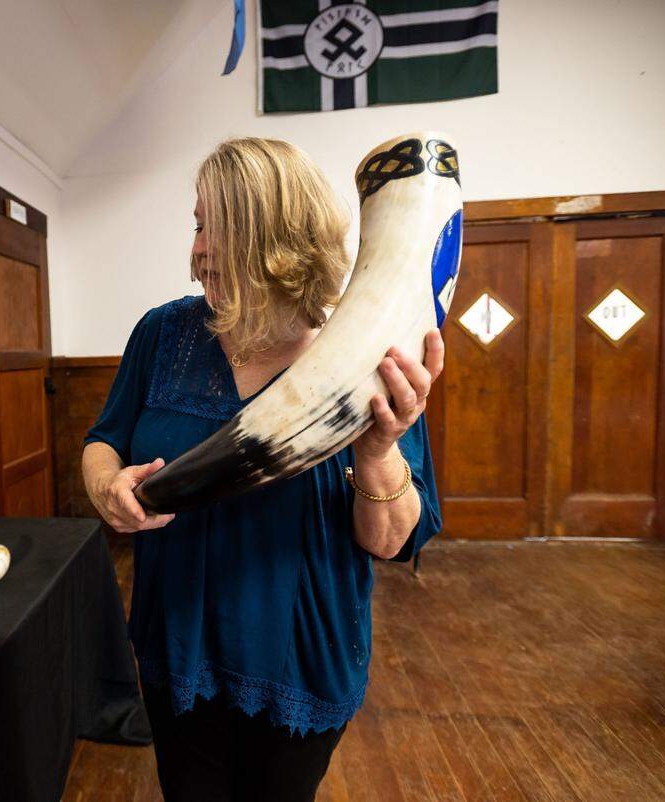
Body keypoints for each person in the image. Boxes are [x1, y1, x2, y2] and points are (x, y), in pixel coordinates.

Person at [82, 138, 443, 802]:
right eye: (196, 224)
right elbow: (102, 441)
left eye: (221, 227)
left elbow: (390, 541)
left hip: (299, 660)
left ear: (282, 238)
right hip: (177, 646)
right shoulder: (161, 336)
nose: (198, 249)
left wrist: (377, 450)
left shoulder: (365, 355)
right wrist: (107, 485)